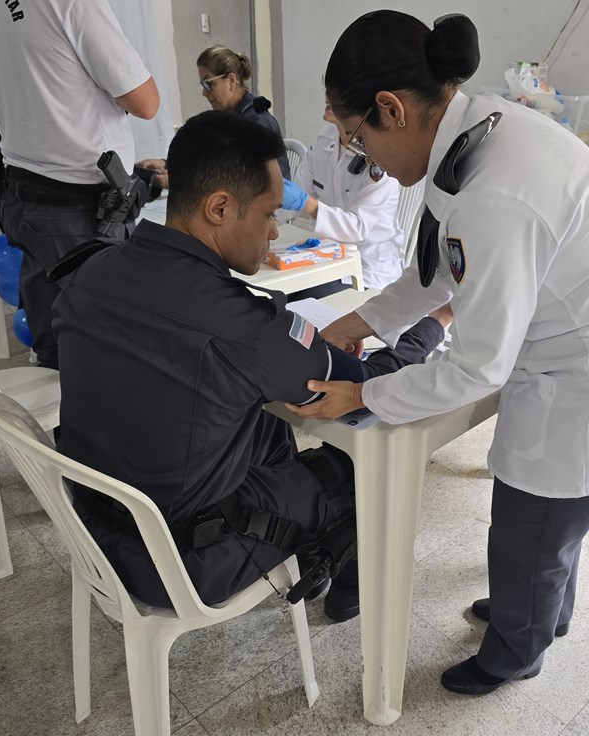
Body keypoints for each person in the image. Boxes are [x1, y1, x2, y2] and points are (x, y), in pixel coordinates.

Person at [287, 11, 589, 694]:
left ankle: (513, 654)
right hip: (579, 358)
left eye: (358, 139)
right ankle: (541, 613)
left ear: (391, 109)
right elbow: (436, 272)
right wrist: (359, 321)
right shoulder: (477, 132)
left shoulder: (494, 192)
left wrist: (365, 395)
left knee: (532, 529)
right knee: (551, 531)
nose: (364, 157)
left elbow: (477, 367)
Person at [52, 110, 449, 620]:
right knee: (367, 463)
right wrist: (435, 320)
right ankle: (347, 583)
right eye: (267, 214)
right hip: (183, 560)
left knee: (265, 425)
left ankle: (316, 552)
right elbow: (370, 385)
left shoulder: (92, 271)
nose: (273, 230)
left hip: (97, 530)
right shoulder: (245, 325)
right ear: (219, 207)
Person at [0, 0, 159, 369]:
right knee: (113, 353)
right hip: (84, 212)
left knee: (55, 346)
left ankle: (63, 427)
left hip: (26, 199)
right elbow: (145, 101)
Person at [280, 96, 404, 296]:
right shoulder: (325, 138)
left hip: (368, 267)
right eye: (328, 90)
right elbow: (296, 194)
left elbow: (357, 228)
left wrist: (308, 205)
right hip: (328, 256)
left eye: (338, 92)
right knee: (275, 292)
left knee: (295, 299)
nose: (329, 97)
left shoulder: (380, 157)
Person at [138, 45, 290, 185]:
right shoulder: (227, 119)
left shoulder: (257, 124)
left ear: (231, 81)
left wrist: (176, 182)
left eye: (208, 84)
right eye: (203, 85)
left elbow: (240, 181)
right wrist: (168, 165)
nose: (204, 93)